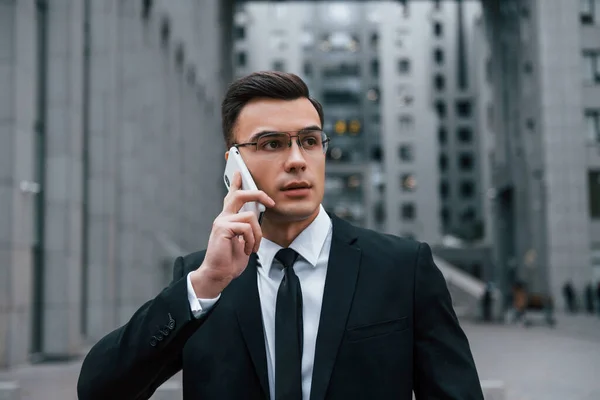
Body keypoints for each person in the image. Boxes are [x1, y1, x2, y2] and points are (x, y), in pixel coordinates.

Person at [77, 71, 483, 400]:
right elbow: (100, 390)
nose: (296, 161)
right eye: (271, 144)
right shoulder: (204, 281)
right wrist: (204, 285)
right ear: (234, 163)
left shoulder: (402, 269)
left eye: (309, 141)